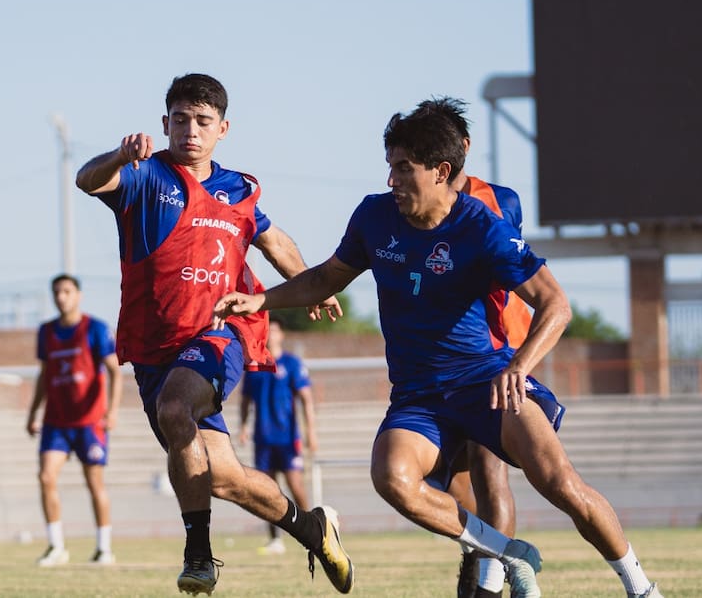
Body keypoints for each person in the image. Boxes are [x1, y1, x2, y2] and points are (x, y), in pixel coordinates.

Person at [213, 98, 663, 598]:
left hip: (485, 382)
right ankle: (511, 554)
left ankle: (641, 587)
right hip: (418, 398)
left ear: (440, 170)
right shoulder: (374, 218)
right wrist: (259, 299)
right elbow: (323, 278)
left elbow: (556, 305)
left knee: (560, 483)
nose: (392, 181)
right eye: (390, 167)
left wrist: (519, 365)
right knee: (392, 478)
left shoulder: (481, 227)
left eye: (403, 169)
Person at [75, 73, 353, 595]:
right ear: (165, 124)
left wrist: (311, 285)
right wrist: (117, 155)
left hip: (219, 336)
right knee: (222, 477)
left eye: (203, 122)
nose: (191, 131)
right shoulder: (143, 177)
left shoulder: (239, 191)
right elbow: (87, 181)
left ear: (223, 129)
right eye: (180, 120)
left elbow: (274, 241)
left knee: (176, 410)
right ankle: (311, 527)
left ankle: (198, 556)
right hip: (156, 351)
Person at [437, 99, 532, 598]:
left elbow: (509, 276)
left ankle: (491, 579)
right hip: (441, 360)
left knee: (490, 468)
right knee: (443, 473)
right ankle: (484, 552)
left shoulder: (500, 201)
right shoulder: (410, 205)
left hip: (495, 349)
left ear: (460, 150)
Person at [26, 274, 123, 567]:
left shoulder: (95, 329)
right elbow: (44, 375)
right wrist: (33, 413)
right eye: (57, 292)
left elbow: (115, 371)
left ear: (78, 295)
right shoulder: (46, 332)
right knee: (45, 477)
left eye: (67, 291)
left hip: (89, 422)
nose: (61, 297)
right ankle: (56, 547)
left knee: (94, 482)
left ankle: (104, 548)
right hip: (56, 421)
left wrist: (112, 410)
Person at [238, 321, 318, 555]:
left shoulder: (292, 364)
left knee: (295, 486)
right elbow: (245, 401)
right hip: (263, 439)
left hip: (287, 438)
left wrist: (310, 431)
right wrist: (243, 426)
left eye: (274, 330)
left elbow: (306, 398)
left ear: (281, 335)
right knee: (267, 491)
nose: (271, 334)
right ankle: (275, 540)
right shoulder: (254, 364)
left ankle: (313, 533)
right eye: (268, 330)